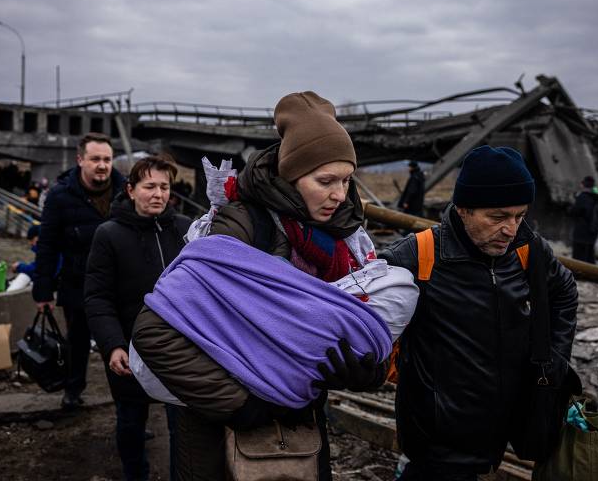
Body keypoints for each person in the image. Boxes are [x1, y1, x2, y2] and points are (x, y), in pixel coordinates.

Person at [131, 91, 388, 480]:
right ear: (290, 176)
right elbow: (153, 333)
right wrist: (244, 405)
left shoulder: (345, 244)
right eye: (325, 180)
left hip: (298, 426)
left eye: (347, 179)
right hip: (216, 430)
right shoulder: (242, 226)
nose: (340, 194)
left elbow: (337, 326)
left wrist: (363, 371)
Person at [380, 145, 578, 480]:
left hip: (505, 426)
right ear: (462, 209)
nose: (510, 229)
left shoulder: (527, 250)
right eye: (498, 217)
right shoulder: (419, 255)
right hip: (437, 437)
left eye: (519, 216)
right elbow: (360, 308)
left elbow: (564, 292)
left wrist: (553, 358)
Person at [85, 154, 190, 481]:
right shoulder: (109, 234)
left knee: (183, 428)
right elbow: (97, 296)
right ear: (130, 190)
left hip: (181, 350)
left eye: (164, 186)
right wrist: (113, 345)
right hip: (131, 350)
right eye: (149, 187)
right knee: (131, 424)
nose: (158, 194)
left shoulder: (186, 230)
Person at [33, 132, 125, 409]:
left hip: (119, 285)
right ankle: (73, 391)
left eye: (107, 159)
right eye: (95, 158)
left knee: (121, 344)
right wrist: (43, 291)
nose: (102, 165)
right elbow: (47, 246)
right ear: (80, 160)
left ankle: (129, 407)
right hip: (77, 284)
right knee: (78, 342)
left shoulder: (126, 191)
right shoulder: (60, 196)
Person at [568, 175, 598, 264]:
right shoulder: (597, 197)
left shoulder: (582, 197)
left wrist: (571, 203)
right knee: (590, 255)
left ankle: (578, 275)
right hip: (593, 231)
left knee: (578, 257)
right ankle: (591, 274)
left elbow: (574, 212)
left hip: (581, 232)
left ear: (583, 185)